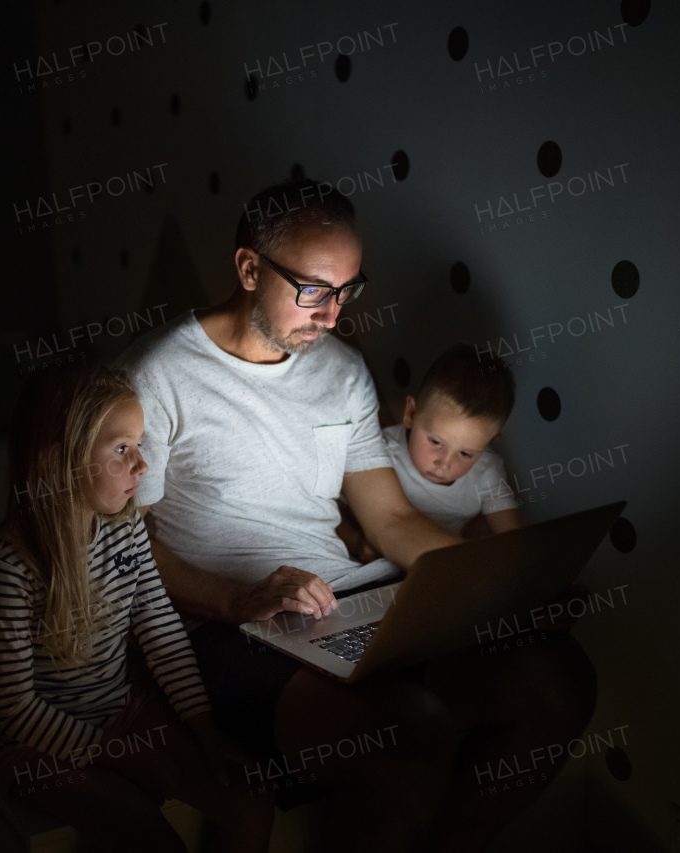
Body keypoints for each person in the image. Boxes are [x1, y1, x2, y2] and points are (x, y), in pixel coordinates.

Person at [120, 179, 596, 851]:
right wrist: (238, 596)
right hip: (228, 629)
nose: (332, 316)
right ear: (249, 267)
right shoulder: (157, 376)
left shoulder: (342, 372)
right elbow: (126, 552)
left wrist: (510, 586)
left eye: (346, 291)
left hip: (344, 603)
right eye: (314, 289)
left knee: (556, 678)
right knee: (407, 737)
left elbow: (391, 521)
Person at [0, 362, 272, 853]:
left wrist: (202, 725)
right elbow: (14, 710)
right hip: (37, 748)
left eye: (138, 444)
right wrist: (117, 755)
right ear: (59, 462)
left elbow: (160, 629)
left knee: (249, 790)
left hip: (118, 713)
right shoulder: (8, 570)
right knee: (142, 827)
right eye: (121, 449)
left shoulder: (125, 529)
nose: (142, 464)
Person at [336, 344, 523, 563]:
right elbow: (331, 510)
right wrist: (357, 542)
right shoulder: (379, 451)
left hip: (442, 567)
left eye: (465, 454)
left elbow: (513, 540)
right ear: (411, 413)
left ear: (489, 444)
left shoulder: (488, 472)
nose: (444, 464)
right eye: (435, 442)